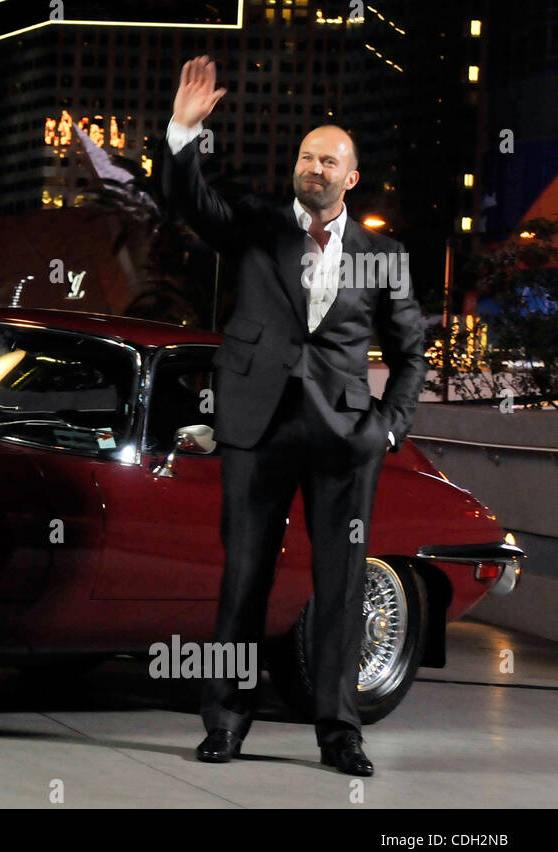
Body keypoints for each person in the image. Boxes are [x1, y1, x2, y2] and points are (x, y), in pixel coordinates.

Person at [159, 57, 426, 776]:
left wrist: (389, 428)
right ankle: (225, 719)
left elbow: (411, 356)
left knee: (340, 586)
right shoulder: (253, 223)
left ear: (350, 177)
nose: (314, 166)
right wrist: (185, 131)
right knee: (242, 578)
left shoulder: (384, 257)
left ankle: (340, 733)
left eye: (329, 159)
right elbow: (192, 203)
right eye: (307, 155)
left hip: (344, 440)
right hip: (256, 427)